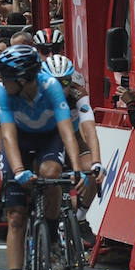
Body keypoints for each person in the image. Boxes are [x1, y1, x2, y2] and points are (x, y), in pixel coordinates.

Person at [0, 44, 87, 270]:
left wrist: (76, 168)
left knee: (51, 173)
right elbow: (8, 136)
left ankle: (51, 233)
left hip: (49, 139)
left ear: (22, 78)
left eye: (6, 77)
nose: (0, 81)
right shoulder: (3, 91)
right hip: (19, 141)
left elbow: (66, 131)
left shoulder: (50, 87)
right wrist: (20, 170)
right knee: (15, 218)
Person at [42, 54, 104, 236]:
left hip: (74, 136)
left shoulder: (78, 94)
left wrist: (97, 161)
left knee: (91, 172)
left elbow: (89, 128)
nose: (61, 88)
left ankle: (80, 218)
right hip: (45, 138)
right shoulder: (36, 94)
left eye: (65, 83)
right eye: (55, 82)